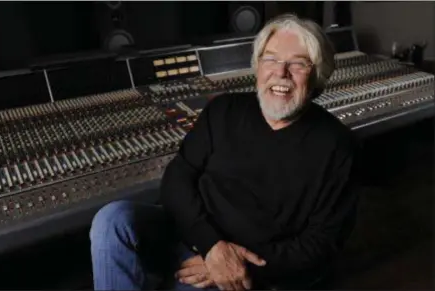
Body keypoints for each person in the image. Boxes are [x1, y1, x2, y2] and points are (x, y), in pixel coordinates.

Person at [89, 13, 361, 290]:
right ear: (258, 66)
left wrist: (233, 265)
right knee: (112, 220)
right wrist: (212, 248)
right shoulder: (224, 110)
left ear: (318, 75)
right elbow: (177, 177)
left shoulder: (337, 147)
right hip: (191, 233)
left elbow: (320, 245)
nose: (281, 72)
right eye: (271, 59)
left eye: (298, 64)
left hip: (247, 265)